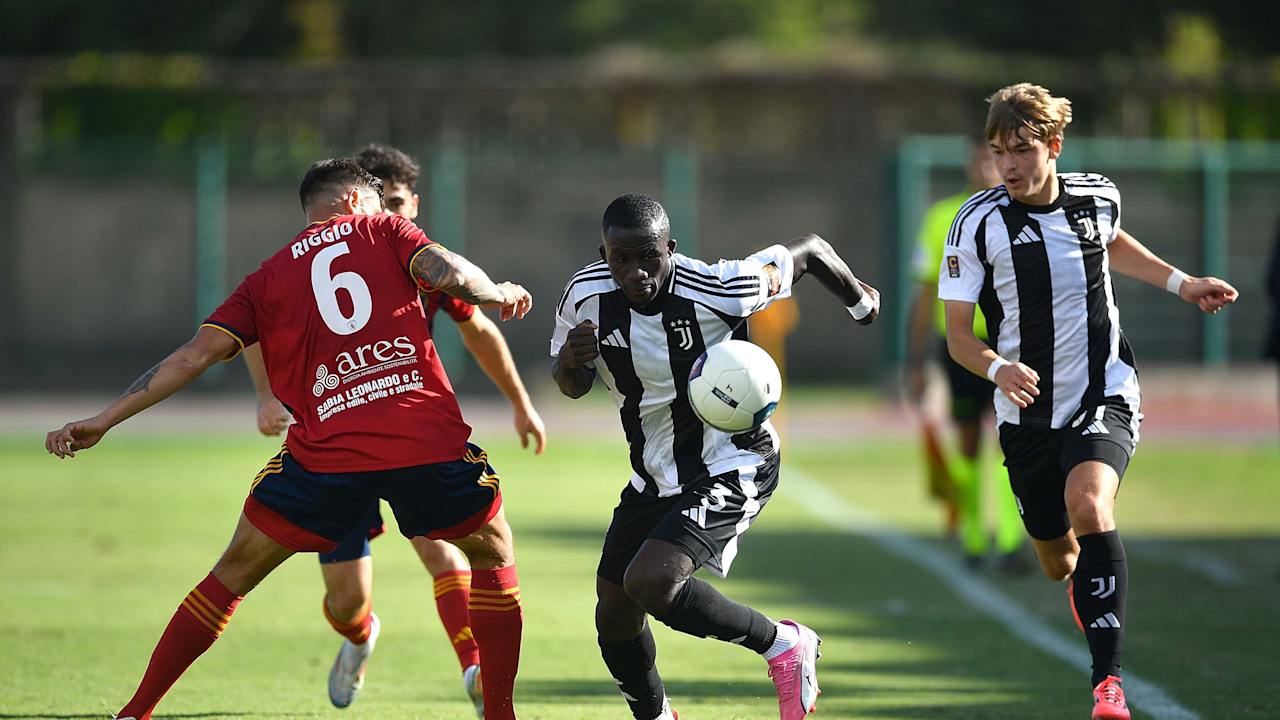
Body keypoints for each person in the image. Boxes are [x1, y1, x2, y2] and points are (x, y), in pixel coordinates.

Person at [45, 158, 534, 720]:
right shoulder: (384, 229)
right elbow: (444, 269)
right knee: (492, 549)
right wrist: (495, 291)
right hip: (422, 442)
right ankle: (500, 714)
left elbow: (191, 357)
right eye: (375, 202)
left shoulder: (263, 280)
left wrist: (104, 420)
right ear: (355, 201)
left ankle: (135, 713)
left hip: (326, 459)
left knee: (231, 573)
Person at [939, 83, 1238, 720]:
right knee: (1057, 561)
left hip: (1104, 390)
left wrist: (1182, 284)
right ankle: (1087, 581)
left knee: (1091, 501)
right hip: (1026, 416)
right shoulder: (977, 222)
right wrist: (998, 368)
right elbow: (958, 336)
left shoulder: (1096, 196)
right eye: (998, 151)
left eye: (1020, 150)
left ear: (1053, 146)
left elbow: (1111, 241)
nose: (1008, 165)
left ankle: (1108, 686)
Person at [551, 193, 880, 720]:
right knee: (614, 613)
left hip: (734, 460)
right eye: (621, 260)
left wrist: (861, 303)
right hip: (654, 476)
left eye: (649, 257)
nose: (635, 273)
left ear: (671, 249)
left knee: (652, 582)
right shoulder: (584, 296)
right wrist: (570, 361)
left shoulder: (720, 286)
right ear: (603, 253)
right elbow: (571, 384)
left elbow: (811, 253)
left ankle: (783, 644)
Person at [243, 144, 546, 715]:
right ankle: (358, 636)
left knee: (445, 551)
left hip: (408, 438)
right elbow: (252, 323)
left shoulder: (418, 254)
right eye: (379, 204)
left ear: (412, 202)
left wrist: (520, 402)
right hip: (335, 448)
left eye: (399, 204)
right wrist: (265, 398)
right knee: (346, 602)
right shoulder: (320, 257)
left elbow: (479, 330)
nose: (389, 215)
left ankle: (475, 673)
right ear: (355, 203)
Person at [906, 136, 1028, 572]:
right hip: (960, 349)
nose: (987, 168)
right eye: (980, 159)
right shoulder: (944, 217)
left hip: (1011, 346)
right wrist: (914, 360)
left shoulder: (1020, 214)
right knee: (970, 443)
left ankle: (1013, 541)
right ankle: (976, 537)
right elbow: (924, 291)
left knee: (1013, 442)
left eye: (994, 159)